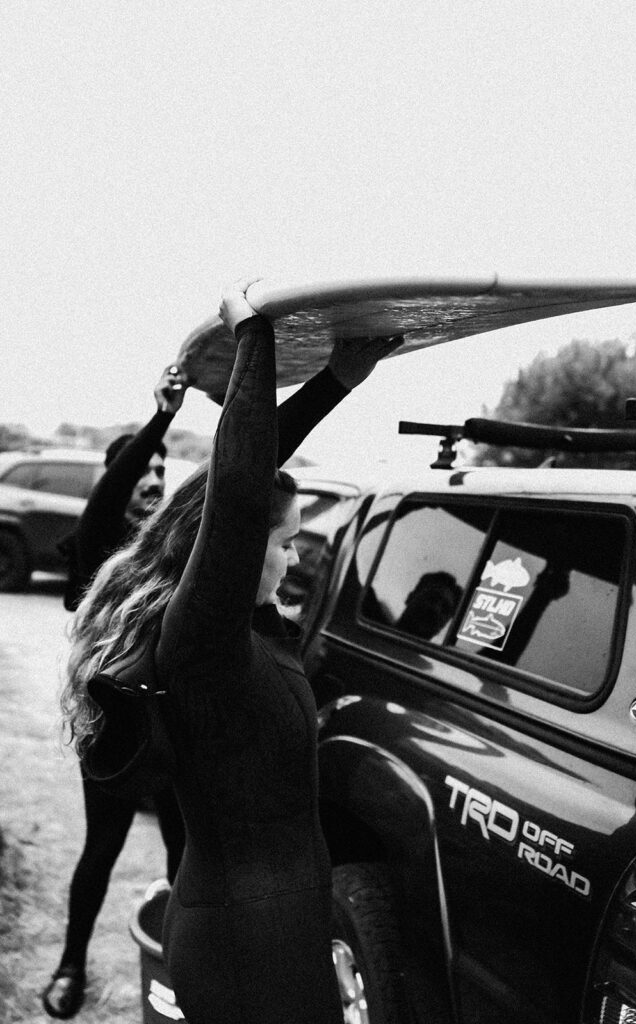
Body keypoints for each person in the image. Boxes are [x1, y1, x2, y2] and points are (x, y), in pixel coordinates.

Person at [59, 280, 402, 1023]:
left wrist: (336, 383)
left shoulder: (254, 629)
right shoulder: (202, 645)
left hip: (277, 934)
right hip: (245, 949)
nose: (298, 555)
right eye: (285, 542)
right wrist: (255, 337)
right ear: (241, 551)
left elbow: (237, 487)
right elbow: (239, 491)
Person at [43, 366, 190, 1019]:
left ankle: (186, 967)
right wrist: (160, 417)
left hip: (177, 728)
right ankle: (72, 964)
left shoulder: (174, 550)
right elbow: (110, 495)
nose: (153, 480)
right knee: (100, 851)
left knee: (187, 851)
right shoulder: (97, 548)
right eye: (141, 471)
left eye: (162, 471)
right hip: (113, 733)